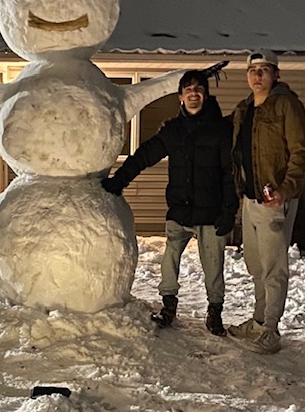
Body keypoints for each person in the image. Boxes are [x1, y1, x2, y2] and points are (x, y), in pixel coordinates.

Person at [102, 70, 238, 336]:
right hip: (179, 210)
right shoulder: (173, 131)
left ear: (206, 95)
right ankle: (168, 305)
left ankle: (215, 311)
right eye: (188, 90)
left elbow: (229, 173)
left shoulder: (221, 130)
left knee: (213, 265)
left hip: (210, 213)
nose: (194, 94)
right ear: (180, 96)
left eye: (199, 89)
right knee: (169, 263)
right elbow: (144, 155)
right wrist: (119, 181)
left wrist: (229, 211)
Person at [228, 49, 305, 354]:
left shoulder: (286, 105)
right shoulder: (245, 109)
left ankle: (271, 330)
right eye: (253, 71)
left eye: (264, 70)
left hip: (275, 200)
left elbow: (301, 151)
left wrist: (285, 189)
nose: (258, 76)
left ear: (276, 74)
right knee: (256, 265)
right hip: (250, 199)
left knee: (274, 268)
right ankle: (259, 320)